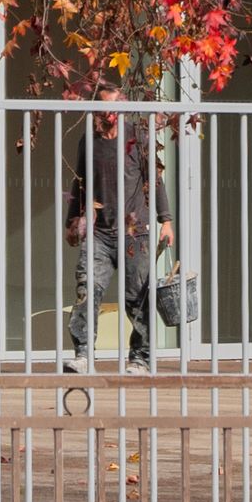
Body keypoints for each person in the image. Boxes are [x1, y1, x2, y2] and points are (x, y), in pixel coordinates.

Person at [63, 121, 176, 366]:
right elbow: (79, 181)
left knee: (137, 297)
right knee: (87, 290)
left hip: (135, 234)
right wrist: (72, 220)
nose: (105, 118)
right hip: (98, 233)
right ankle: (83, 355)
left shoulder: (137, 138)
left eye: (111, 111)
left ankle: (140, 358)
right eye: (100, 112)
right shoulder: (89, 140)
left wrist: (165, 220)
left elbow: (154, 180)